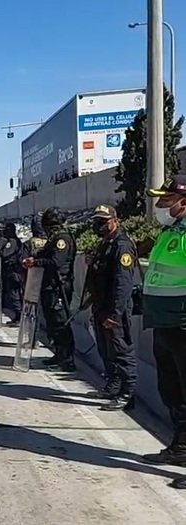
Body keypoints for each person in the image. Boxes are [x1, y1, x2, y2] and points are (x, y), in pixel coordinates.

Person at [140, 175, 186, 487]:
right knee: (173, 393)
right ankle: (181, 448)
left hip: (183, 324)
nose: (160, 205)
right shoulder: (170, 232)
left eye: (166, 200)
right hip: (165, 325)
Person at [86, 204, 137, 410]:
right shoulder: (106, 244)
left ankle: (128, 393)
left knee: (121, 352)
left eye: (104, 222)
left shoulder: (122, 246)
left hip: (115, 310)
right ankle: (114, 385)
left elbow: (123, 284)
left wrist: (114, 314)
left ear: (116, 221)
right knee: (107, 351)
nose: (100, 226)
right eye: (98, 222)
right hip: (101, 307)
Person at [22, 207, 77, 372]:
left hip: (58, 287)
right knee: (52, 323)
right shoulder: (54, 238)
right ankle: (59, 355)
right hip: (49, 287)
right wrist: (36, 257)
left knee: (61, 323)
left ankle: (67, 360)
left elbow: (55, 262)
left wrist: (36, 263)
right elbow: (45, 254)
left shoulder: (63, 239)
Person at [1, 222, 23, 325]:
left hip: (13, 271)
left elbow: (5, 253)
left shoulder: (12, 242)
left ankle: (19, 317)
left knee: (15, 294)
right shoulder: (16, 241)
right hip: (15, 271)